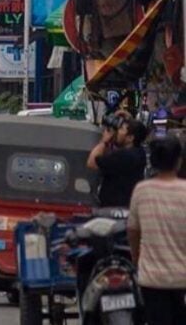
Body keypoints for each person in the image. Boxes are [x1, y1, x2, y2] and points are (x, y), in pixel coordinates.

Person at [127, 135, 186, 325]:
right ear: (179, 161)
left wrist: (136, 258)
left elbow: (133, 231)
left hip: (152, 279)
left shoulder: (142, 190)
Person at [88, 116, 148, 208]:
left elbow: (92, 163)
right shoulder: (140, 153)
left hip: (113, 209)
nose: (117, 132)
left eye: (121, 129)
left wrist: (104, 141)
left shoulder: (123, 156)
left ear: (130, 138)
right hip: (127, 206)